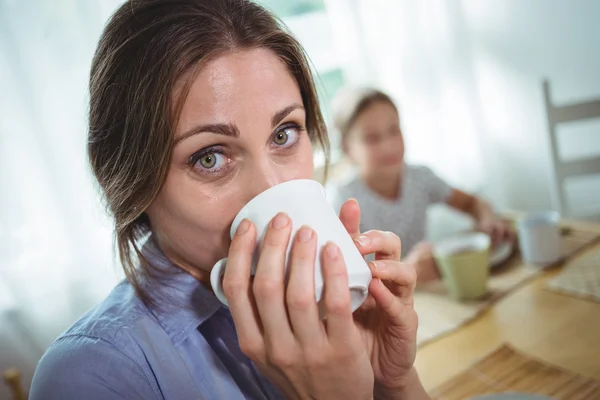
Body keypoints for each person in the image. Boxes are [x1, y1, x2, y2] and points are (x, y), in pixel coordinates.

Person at [30, 1, 428, 399]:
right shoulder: (89, 377)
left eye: (284, 134)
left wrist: (392, 381)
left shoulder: (326, 305)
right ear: (128, 181)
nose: (272, 188)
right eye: (210, 158)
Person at [326, 88, 513, 283]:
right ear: (348, 148)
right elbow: (344, 282)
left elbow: (471, 203)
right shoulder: (341, 200)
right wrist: (408, 269)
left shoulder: (420, 178)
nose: (388, 145)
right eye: (372, 138)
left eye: (394, 130)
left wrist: (488, 218)